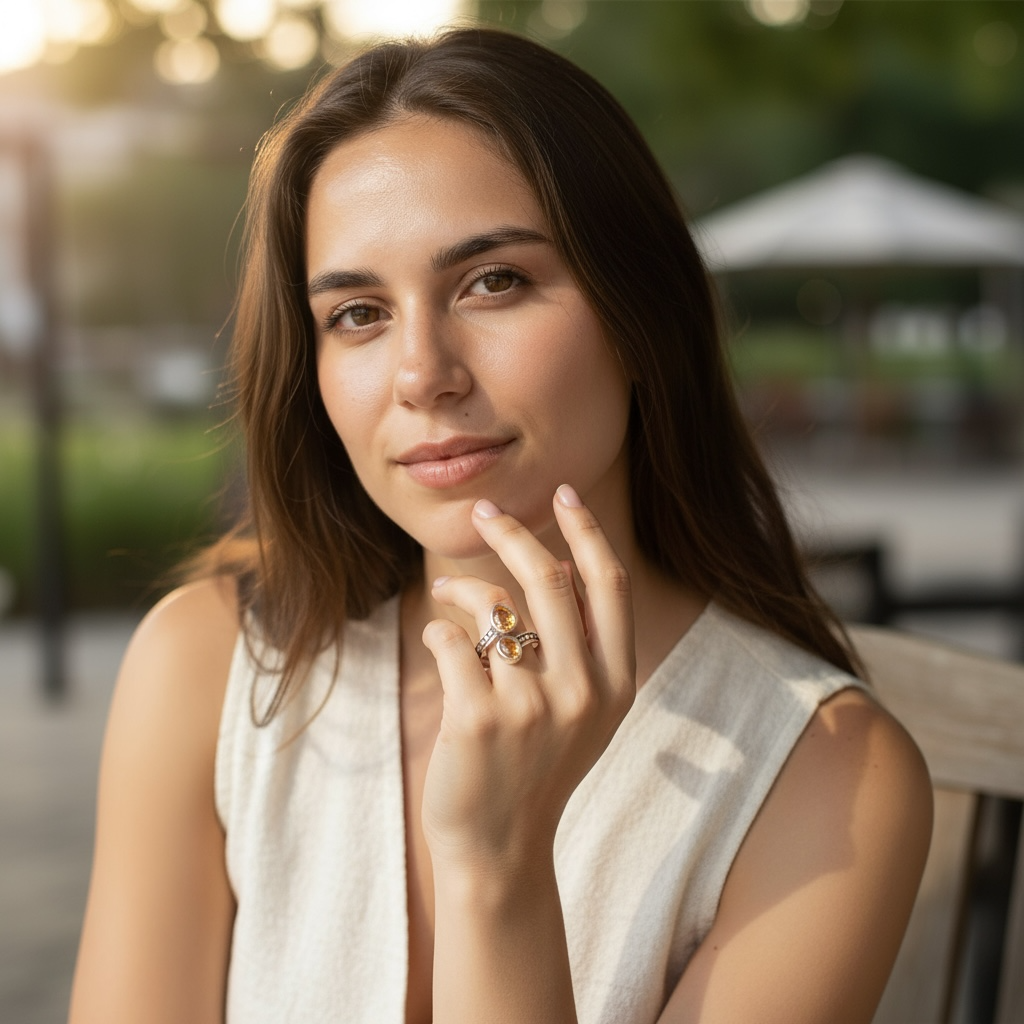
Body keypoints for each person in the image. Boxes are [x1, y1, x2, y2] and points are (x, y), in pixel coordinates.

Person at [69, 26, 932, 1024]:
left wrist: (497, 869)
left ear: (640, 317)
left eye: (495, 282)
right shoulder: (208, 669)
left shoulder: (826, 774)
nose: (421, 372)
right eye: (357, 313)